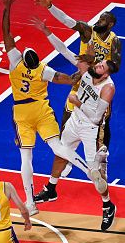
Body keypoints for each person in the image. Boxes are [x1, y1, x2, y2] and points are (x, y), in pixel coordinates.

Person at [2, 0, 103, 217]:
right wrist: (80, 74)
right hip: (43, 109)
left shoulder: (15, 64)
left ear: (22, 57)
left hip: (21, 111)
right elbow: (67, 79)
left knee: (26, 157)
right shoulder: (43, 70)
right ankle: (88, 170)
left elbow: (6, 33)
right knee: (59, 146)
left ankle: (30, 203)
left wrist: (7, 7)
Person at [31, 16, 118, 231]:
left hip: (91, 129)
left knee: (94, 173)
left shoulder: (107, 88)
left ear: (105, 72)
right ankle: (51, 188)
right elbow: (65, 52)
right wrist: (46, 31)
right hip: (74, 122)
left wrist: (78, 101)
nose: (97, 64)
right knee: (61, 152)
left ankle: (107, 205)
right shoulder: (88, 72)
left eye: (101, 65)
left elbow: (97, 117)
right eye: (98, 62)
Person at [34, 0, 121, 179]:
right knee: (66, 126)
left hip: (98, 86)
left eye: (103, 19)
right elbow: (68, 26)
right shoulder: (88, 32)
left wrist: (96, 65)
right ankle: (66, 161)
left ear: (110, 24)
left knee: (101, 127)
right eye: (99, 18)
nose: (99, 21)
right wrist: (50, 8)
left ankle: (101, 164)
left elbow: (116, 66)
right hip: (81, 80)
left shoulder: (113, 41)